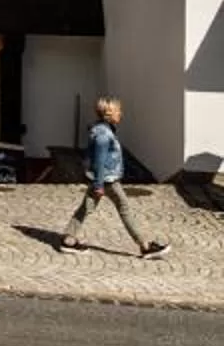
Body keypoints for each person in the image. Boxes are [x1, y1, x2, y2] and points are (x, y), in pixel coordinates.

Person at [60, 97, 168, 258]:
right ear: (109, 114)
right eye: (118, 111)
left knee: (87, 208)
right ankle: (145, 246)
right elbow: (99, 161)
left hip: (105, 179)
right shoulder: (103, 135)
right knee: (124, 208)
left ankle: (68, 240)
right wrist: (98, 185)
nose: (121, 114)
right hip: (107, 180)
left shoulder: (104, 130)